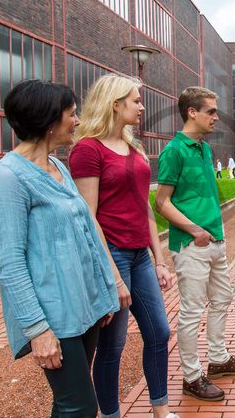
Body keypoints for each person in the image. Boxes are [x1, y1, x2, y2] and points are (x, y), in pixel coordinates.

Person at [0, 79, 120, 417]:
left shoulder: (58, 167)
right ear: (48, 122)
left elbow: (85, 231)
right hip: (53, 317)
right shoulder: (8, 178)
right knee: (79, 405)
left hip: (83, 308)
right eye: (72, 115)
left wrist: (103, 291)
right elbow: (11, 263)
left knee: (74, 403)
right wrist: (37, 330)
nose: (77, 121)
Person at [69, 74, 176, 418]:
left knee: (159, 332)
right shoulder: (88, 149)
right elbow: (88, 214)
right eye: (135, 100)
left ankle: (160, 410)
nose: (142, 106)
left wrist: (158, 258)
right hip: (110, 255)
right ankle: (111, 414)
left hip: (140, 256)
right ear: (115, 104)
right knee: (112, 346)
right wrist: (112, 275)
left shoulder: (134, 148)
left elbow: (143, 205)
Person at [155, 87, 235, 402]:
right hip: (190, 244)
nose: (215, 116)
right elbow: (162, 202)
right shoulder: (175, 150)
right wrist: (195, 229)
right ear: (192, 112)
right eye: (210, 111)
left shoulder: (204, 149)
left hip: (215, 240)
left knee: (223, 298)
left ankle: (219, 359)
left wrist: (214, 230)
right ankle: (192, 376)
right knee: (192, 311)